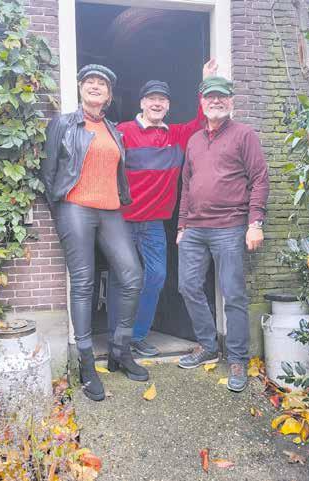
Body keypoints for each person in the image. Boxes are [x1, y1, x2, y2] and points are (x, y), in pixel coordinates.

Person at [41, 64, 149, 402]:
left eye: (102, 83)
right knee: (84, 282)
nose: (95, 86)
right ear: (80, 88)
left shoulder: (113, 130)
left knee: (132, 276)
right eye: (89, 81)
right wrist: (61, 211)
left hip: (110, 210)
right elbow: (48, 172)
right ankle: (86, 363)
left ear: (109, 94)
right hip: (75, 207)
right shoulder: (62, 124)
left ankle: (120, 350)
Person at [107, 60, 218, 358]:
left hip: (154, 223)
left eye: (162, 100)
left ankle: (137, 336)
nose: (157, 104)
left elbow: (201, 121)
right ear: (142, 103)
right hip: (122, 221)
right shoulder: (123, 132)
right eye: (152, 99)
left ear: (168, 106)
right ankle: (117, 339)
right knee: (122, 280)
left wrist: (206, 82)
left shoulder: (177, 136)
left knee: (155, 278)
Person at [176, 76, 269, 392]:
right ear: (202, 103)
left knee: (233, 294)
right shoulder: (194, 141)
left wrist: (255, 223)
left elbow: (259, 179)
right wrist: (182, 225)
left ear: (231, 101)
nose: (216, 101)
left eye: (222, 97)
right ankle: (207, 345)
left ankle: (238, 358)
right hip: (194, 228)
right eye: (210, 97)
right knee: (188, 286)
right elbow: (186, 186)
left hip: (230, 227)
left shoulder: (244, 135)